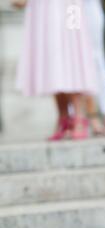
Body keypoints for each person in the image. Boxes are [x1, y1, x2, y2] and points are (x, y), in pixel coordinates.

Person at [14, 0, 98, 140]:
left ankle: (79, 117)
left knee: (72, 52)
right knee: (50, 57)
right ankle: (63, 117)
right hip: (42, 7)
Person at [84, 0, 105, 136]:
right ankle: (79, 117)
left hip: (89, 5)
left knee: (95, 57)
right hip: (69, 8)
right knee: (73, 60)